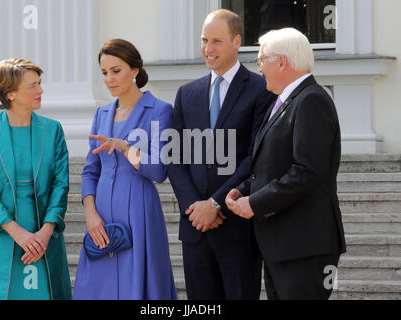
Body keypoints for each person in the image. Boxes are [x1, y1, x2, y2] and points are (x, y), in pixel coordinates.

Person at [226, 28, 346, 300]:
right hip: (282, 245)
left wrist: (255, 203)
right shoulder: (285, 101)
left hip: (305, 246)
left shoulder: (311, 100)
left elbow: (308, 171)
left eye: (261, 61)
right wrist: (244, 190)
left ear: (281, 61)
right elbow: (272, 165)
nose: (259, 69)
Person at [167, 9, 276, 300]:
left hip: (237, 228)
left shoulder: (262, 89)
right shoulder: (186, 94)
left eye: (216, 41)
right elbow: (175, 157)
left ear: (237, 41)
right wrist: (195, 208)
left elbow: (256, 156)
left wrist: (216, 204)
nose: (207, 49)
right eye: (204, 40)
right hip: (195, 228)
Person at [73, 39, 177, 300]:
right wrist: (90, 212)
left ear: (134, 70)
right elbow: (90, 171)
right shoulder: (101, 114)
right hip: (101, 215)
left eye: (116, 70)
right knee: (97, 287)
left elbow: (159, 171)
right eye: (104, 72)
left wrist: (125, 147)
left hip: (139, 212)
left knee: (140, 288)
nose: (109, 79)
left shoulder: (160, 110)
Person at [0, 58, 72, 300]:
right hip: (1, 235)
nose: (41, 90)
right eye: (33, 86)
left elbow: (61, 184)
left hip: (43, 234)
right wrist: (19, 234)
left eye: (39, 83)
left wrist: (45, 233)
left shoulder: (53, 129)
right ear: (11, 93)